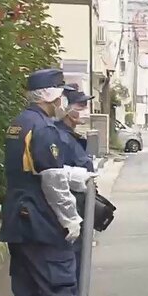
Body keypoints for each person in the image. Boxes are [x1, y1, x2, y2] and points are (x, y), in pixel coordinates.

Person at [0, 69, 95, 296]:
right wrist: (70, 219)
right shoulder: (44, 129)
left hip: (18, 217)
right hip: (41, 219)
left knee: (26, 286)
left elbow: (32, 168)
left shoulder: (19, 123)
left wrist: (74, 174)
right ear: (51, 96)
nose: (63, 101)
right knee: (59, 284)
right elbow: (52, 181)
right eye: (61, 95)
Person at [55, 86, 96, 283]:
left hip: (78, 209)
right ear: (66, 108)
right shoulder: (60, 137)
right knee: (70, 272)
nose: (85, 110)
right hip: (69, 212)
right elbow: (55, 178)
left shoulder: (71, 136)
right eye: (80, 106)